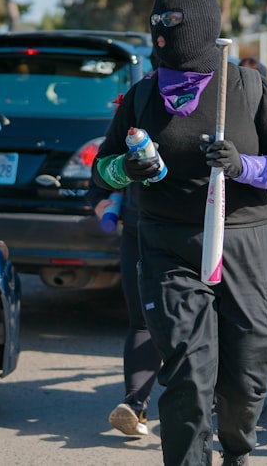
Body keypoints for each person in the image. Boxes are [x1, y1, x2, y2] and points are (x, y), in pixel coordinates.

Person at [91, 0, 267, 465]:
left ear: (205, 26)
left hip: (244, 240)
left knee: (247, 372)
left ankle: (236, 451)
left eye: (174, 22)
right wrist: (128, 167)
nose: (163, 32)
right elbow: (102, 170)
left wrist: (241, 165)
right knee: (187, 374)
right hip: (168, 244)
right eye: (157, 21)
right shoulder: (141, 95)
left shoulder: (247, 87)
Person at [93, 184, 162, 438]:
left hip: (198, 233)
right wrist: (100, 197)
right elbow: (105, 162)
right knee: (143, 320)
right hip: (139, 227)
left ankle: (209, 403)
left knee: (201, 320)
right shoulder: (125, 140)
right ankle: (134, 406)